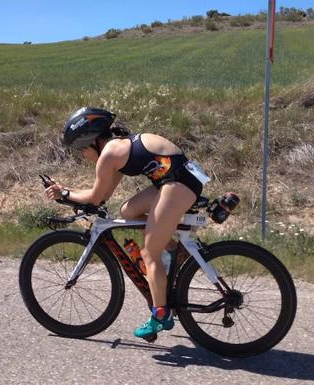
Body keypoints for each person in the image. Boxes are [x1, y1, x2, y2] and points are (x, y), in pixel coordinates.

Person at [45, 107, 209, 339]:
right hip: (177, 179)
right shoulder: (117, 147)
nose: (82, 155)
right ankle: (174, 250)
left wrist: (64, 193)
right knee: (128, 210)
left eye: (80, 148)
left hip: (178, 184)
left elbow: (94, 198)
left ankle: (160, 315)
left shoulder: (109, 154)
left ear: (91, 140)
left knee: (150, 253)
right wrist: (68, 192)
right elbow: (102, 197)